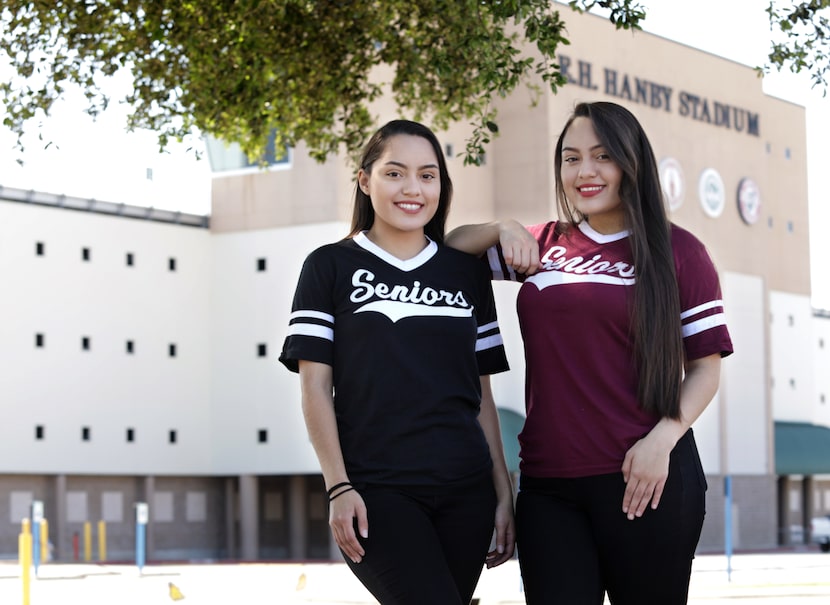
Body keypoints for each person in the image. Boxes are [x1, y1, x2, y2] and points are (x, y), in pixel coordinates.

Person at [446, 101, 734, 604]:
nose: (585, 172)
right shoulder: (545, 245)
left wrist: (660, 441)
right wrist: (503, 226)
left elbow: (705, 370)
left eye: (602, 156)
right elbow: (451, 248)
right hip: (549, 486)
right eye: (571, 158)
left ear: (630, 162)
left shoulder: (679, 251)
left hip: (645, 479)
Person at [279, 119, 516, 605]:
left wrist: (503, 493)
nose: (413, 188)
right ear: (365, 181)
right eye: (395, 173)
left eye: (428, 176)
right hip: (376, 492)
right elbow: (314, 389)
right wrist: (338, 487)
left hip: (466, 491)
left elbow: (481, 396)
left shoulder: (465, 273)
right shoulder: (329, 265)